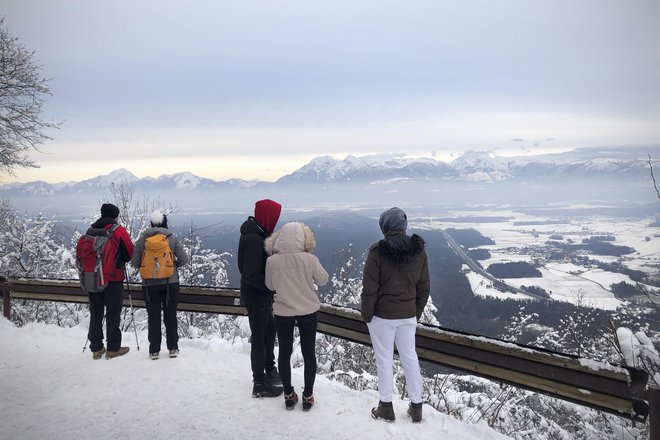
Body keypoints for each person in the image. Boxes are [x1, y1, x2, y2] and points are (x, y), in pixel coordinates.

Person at [361, 207, 430, 423]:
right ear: (403, 226)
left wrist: (367, 314)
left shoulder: (377, 252)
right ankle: (416, 406)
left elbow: (369, 288)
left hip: (382, 316)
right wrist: (415, 312)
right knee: (410, 357)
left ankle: (386, 406)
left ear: (385, 227)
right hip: (408, 315)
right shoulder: (419, 252)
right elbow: (424, 287)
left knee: (384, 360)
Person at [265, 222, 328, 411]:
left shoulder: (272, 261)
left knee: (284, 352)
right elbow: (323, 280)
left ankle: (288, 395)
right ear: (304, 238)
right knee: (309, 353)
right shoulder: (309, 259)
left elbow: (270, 285)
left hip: (283, 312)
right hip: (308, 311)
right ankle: (308, 396)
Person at [238, 199, 283, 397]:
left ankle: (270, 369)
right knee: (259, 336)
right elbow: (250, 274)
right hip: (256, 295)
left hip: (259, 295)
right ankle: (259, 382)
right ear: (267, 216)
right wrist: (271, 286)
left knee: (268, 330)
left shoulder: (257, 234)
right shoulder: (255, 239)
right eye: (274, 217)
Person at [131, 210, 189, 360]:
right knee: (170, 316)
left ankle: (154, 351)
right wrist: (172, 266)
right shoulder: (171, 238)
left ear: (151, 223)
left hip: (149, 285)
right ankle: (173, 348)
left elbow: (135, 262)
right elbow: (184, 259)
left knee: (153, 316)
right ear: (165, 223)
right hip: (171, 283)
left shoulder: (143, 238)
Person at [86, 203, 134, 360]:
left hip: (92, 277)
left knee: (95, 312)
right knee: (113, 313)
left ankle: (96, 348)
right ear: (115, 216)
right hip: (113, 278)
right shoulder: (117, 230)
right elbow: (129, 254)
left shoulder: (90, 231)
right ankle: (113, 348)